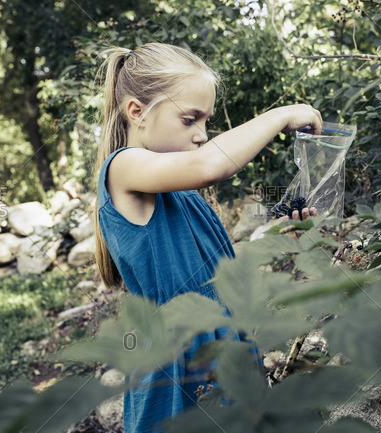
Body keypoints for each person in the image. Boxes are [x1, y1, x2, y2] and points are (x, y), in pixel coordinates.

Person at [93, 42, 322, 433]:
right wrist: (281, 115)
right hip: (177, 370)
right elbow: (209, 165)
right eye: (189, 119)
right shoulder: (123, 168)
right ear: (137, 112)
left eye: (206, 121)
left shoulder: (180, 192)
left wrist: (279, 230)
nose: (201, 135)